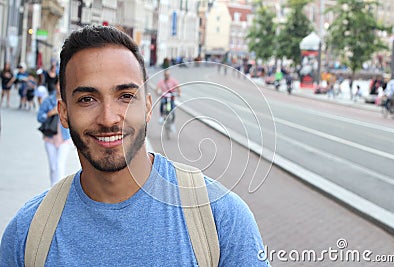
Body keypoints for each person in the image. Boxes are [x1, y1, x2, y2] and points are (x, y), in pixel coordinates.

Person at [0, 26, 270, 266]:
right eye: (86, 99)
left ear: (149, 107)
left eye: (126, 96)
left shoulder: (220, 219)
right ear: (63, 113)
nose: (108, 118)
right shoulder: (28, 233)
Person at [37, 77, 72, 186]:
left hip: (65, 139)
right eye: (58, 85)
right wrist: (49, 113)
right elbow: (39, 117)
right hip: (50, 138)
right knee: (53, 167)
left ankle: (58, 192)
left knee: (59, 165)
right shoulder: (49, 100)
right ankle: (53, 188)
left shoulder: (70, 101)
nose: (59, 88)